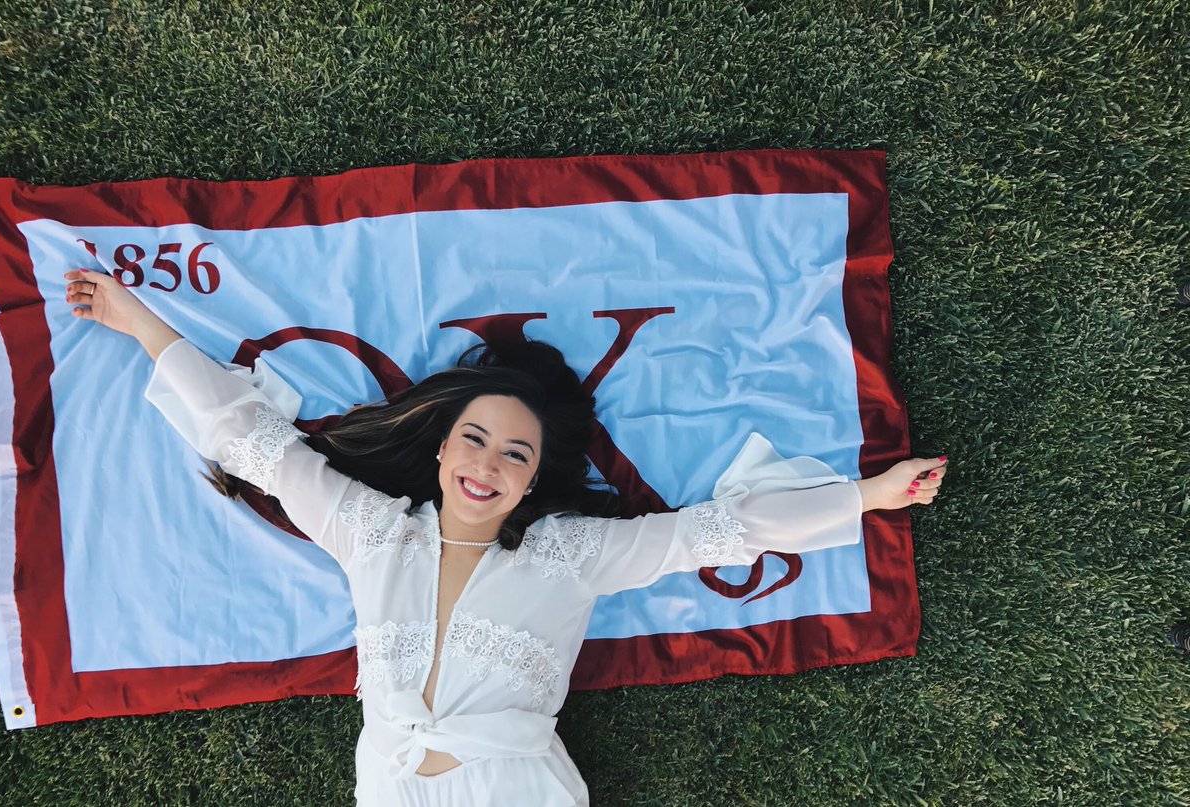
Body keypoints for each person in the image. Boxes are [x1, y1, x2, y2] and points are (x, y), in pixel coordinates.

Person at [62, 268, 948, 806]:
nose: (487, 463)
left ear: (532, 478)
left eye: (514, 453)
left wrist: (868, 495)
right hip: (393, 784)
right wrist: (139, 321)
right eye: (476, 440)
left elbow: (717, 531)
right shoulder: (372, 530)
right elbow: (253, 442)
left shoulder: (569, 552)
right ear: (444, 447)